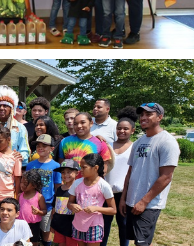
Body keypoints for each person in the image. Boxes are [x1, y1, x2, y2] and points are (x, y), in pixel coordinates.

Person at [121, 103, 180, 246]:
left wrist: (144, 202)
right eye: (142, 115)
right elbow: (130, 172)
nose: (143, 118)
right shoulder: (138, 142)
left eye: (149, 114)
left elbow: (166, 177)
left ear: (160, 117)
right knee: (135, 240)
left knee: (142, 243)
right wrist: (123, 198)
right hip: (131, 202)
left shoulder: (167, 142)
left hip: (149, 205)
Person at [68, 154, 116, 245]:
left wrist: (96, 209)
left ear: (96, 168)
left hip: (95, 225)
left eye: (84, 167)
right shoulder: (77, 183)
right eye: (80, 167)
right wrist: (72, 205)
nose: (80, 170)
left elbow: (113, 210)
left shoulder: (104, 185)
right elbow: (69, 203)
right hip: (78, 223)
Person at [105, 111, 136, 246]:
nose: (122, 131)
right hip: (106, 193)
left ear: (132, 131)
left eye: (125, 129)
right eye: (119, 128)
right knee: (104, 225)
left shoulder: (135, 147)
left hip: (124, 193)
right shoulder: (107, 145)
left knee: (123, 225)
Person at [0, 86, 31, 159]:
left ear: (11, 109)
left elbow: (25, 150)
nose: (1, 108)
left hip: (12, 165)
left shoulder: (20, 128)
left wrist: (21, 155)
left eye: (5, 106)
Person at [51, 160, 81, 245]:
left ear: (77, 173)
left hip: (72, 226)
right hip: (59, 224)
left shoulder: (78, 189)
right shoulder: (59, 189)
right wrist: (52, 224)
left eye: (69, 172)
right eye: (63, 172)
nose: (65, 175)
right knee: (61, 244)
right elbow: (54, 207)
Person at [18, 169, 47, 244]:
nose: (22, 185)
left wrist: (38, 212)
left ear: (34, 185)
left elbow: (44, 211)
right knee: (21, 242)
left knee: (33, 242)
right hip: (20, 224)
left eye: (25, 183)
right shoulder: (19, 196)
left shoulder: (39, 197)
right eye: (21, 182)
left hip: (34, 225)